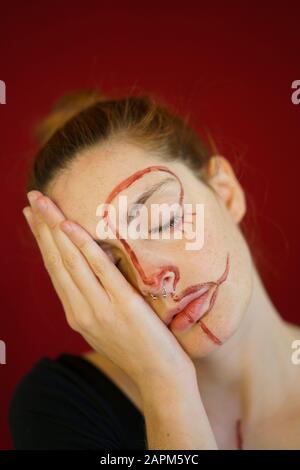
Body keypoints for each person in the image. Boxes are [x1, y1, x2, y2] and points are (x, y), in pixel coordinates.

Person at [9, 89, 300, 450]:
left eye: (162, 221)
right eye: (107, 264)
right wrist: (165, 385)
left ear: (226, 193)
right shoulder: (61, 408)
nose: (151, 279)